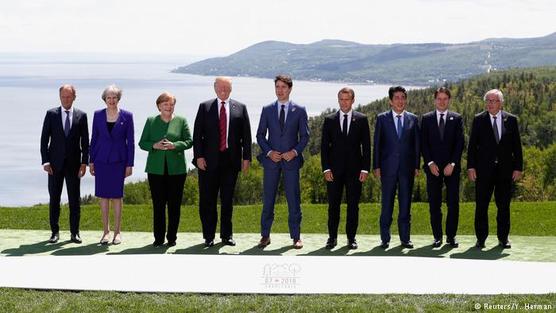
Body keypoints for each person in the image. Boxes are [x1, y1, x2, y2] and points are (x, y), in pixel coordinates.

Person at [193, 77, 252, 247]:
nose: (223, 90)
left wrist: (246, 157)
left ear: (231, 89)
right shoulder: (205, 107)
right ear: (214, 88)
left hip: (231, 162)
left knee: (227, 200)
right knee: (208, 200)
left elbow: (246, 136)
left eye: (227, 87)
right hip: (208, 162)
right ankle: (209, 236)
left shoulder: (240, 108)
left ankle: (227, 235)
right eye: (220, 87)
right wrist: (199, 157)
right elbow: (197, 135)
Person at [256, 74, 310, 249]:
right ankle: (265, 236)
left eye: (283, 87)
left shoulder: (300, 110)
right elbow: (260, 135)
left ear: (290, 88)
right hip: (271, 162)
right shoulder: (267, 109)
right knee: (268, 200)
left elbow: (305, 136)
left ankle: (296, 237)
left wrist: (294, 152)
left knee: (293, 200)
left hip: (291, 162)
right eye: (277, 87)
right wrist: (269, 152)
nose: (280, 90)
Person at [467, 89, 523, 249]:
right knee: (481, 206)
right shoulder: (478, 120)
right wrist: (471, 167)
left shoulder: (511, 120)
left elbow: (517, 147)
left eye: (494, 101)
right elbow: (472, 147)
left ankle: (503, 238)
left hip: (505, 171)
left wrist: (518, 167)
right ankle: (481, 239)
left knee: (504, 206)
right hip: (483, 171)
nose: (490, 104)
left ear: (501, 103)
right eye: (488, 101)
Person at [138, 92, 193, 247]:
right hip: (155, 170)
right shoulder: (151, 121)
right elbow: (142, 143)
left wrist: (175, 145)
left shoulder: (181, 121)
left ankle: (172, 238)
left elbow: (189, 141)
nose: (168, 107)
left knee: (174, 206)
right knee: (158, 205)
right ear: (159, 106)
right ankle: (158, 238)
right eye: (165, 104)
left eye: (171, 104)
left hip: (177, 170)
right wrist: (153, 146)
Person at [321, 87, 370, 250]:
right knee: (333, 206)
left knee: (353, 206)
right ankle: (332, 238)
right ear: (338, 100)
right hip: (333, 172)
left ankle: (351, 238)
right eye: (341, 99)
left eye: (347, 99)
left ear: (353, 100)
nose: (344, 102)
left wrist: (365, 169)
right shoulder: (329, 120)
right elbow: (324, 147)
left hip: (355, 171)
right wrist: (326, 169)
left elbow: (366, 147)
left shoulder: (362, 119)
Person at [40, 84, 89, 244]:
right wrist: (45, 161)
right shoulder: (51, 114)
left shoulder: (82, 115)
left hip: (74, 165)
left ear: (74, 97)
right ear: (59, 97)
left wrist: (84, 163)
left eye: (69, 97)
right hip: (54, 165)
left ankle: (75, 233)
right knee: (54, 199)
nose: (66, 100)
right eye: (63, 97)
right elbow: (43, 140)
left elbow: (85, 142)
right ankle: (54, 232)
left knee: (75, 200)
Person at [373, 86, 420, 249]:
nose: (400, 100)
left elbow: (416, 145)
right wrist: (376, 166)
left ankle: (405, 239)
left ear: (405, 100)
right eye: (397, 98)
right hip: (387, 169)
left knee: (405, 205)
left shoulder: (413, 119)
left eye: (402, 97)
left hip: (407, 170)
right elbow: (377, 144)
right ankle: (385, 238)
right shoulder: (382, 118)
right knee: (387, 204)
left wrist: (416, 166)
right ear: (390, 101)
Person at [89, 85, 134, 245]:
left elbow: (131, 142)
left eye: (114, 97)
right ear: (105, 99)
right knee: (103, 196)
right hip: (101, 160)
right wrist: (91, 161)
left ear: (118, 99)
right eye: (109, 97)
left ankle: (117, 232)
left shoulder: (127, 116)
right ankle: (105, 232)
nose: (112, 100)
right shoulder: (98, 115)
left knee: (116, 196)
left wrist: (130, 164)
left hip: (119, 161)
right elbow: (94, 139)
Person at [421, 87, 464, 248]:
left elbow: (460, 143)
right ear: (434, 100)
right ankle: (437, 237)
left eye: (445, 99)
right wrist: (430, 163)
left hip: (451, 169)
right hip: (433, 169)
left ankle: (451, 237)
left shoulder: (457, 118)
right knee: (434, 204)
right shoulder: (426, 119)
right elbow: (423, 144)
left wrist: (452, 164)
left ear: (449, 100)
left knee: (453, 204)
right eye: (439, 98)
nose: (442, 101)